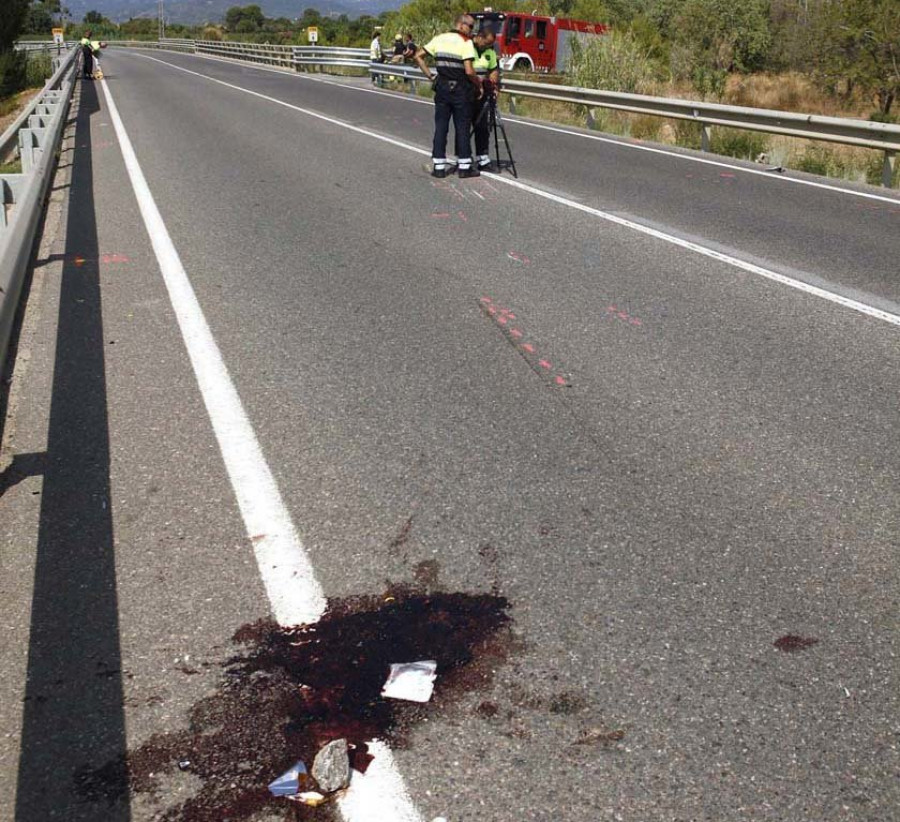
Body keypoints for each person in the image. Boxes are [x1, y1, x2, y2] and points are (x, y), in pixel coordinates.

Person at [415, 14, 483, 179]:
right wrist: (478, 83)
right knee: (462, 128)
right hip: (461, 89)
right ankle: (464, 167)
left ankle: (439, 166)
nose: (472, 30)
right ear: (460, 25)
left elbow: (418, 56)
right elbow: (468, 70)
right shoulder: (465, 43)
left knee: (441, 127)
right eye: (470, 26)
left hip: (442, 88)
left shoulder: (439, 39)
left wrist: (431, 76)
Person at [471, 29, 500, 171]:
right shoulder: (467, 47)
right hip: (468, 92)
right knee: (463, 127)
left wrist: (494, 81)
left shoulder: (490, 52)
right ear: (479, 37)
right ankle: (463, 157)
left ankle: (483, 157)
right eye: (486, 43)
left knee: (483, 127)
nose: (487, 46)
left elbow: (494, 69)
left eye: (490, 44)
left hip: (484, 94)